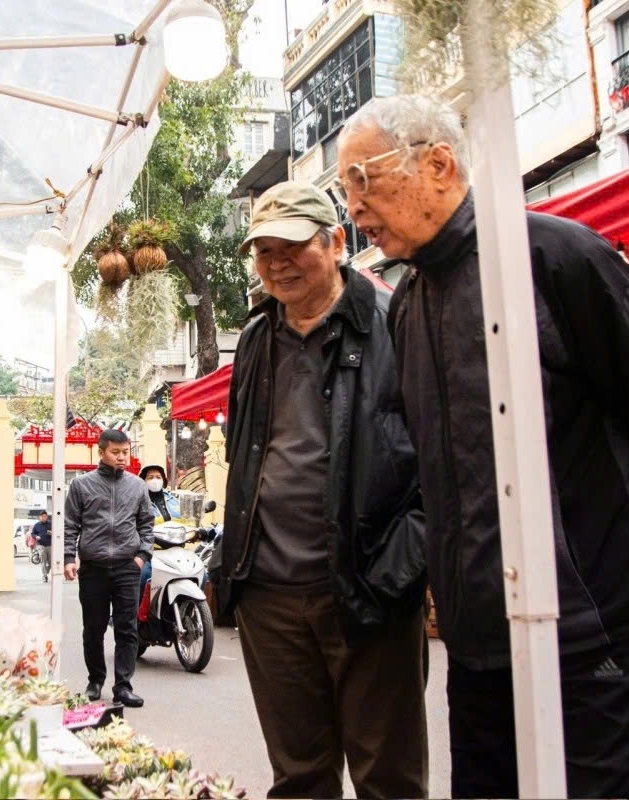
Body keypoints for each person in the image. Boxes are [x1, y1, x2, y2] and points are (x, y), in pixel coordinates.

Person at [335, 95, 629, 799]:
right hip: (480, 651)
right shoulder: (408, 303)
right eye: (344, 190)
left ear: (438, 165)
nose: (352, 209)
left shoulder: (555, 257)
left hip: (598, 634)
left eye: (361, 182)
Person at [221, 181, 430, 799]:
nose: (278, 264)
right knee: (299, 779)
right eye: (264, 252)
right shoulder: (257, 340)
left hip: (369, 591)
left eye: (292, 246)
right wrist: (234, 563)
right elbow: (246, 454)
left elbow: (441, 459)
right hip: (271, 598)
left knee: (387, 780)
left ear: (337, 242)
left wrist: (401, 567)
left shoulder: (395, 321)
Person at [63, 430, 155, 708]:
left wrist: (142, 556)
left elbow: (146, 524)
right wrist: (69, 557)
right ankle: (95, 682)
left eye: (126, 452)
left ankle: (123, 687)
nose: (122, 457)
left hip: (128, 568)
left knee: (127, 628)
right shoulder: (81, 486)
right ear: (101, 452)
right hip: (93, 568)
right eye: (116, 452)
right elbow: (70, 525)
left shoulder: (138, 486)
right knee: (93, 628)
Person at [137, 464, 179, 596]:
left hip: (176, 549)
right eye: (150, 477)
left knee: (203, 574)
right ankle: (136, 614)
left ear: (164, 480)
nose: (155, 480)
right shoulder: (138, 499)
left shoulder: (173, 499)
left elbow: (186, 520)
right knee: (143, 576)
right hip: (150, 551)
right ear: (143, 480)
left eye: (158, 477)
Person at [31, 510, 52, 583]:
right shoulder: (37, 525)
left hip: (50, 545)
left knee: (51, 562)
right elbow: (32, 533)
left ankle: (46, 571)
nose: (44, 518)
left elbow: (56, 532)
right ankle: (44, 576)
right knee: (43, 560)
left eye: (45, 516)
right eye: (42, 516)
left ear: (47, 517)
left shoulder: (51, 524)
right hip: (40, 545)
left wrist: (52, 533)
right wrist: (35, 537)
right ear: (40, 517)